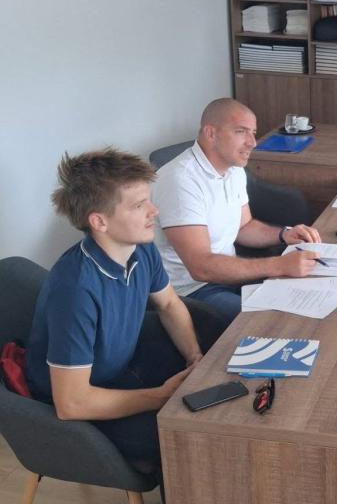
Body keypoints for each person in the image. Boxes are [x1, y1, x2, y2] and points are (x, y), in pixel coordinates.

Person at [25, 149, 213, 478]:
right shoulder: (75, 290)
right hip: (79, 406)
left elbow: (169, 304)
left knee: (212, 383)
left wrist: (194, 357)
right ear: (99, 221)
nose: (154, 211)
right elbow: (72, 403)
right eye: (139, 205)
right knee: (188, 436)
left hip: (119, 369)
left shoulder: (142, 248)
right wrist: (160, 396)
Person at [152, 98, 320, 321]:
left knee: (309, 291)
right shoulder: (180, 180)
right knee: (273, 321)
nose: (252, 143)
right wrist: (278, 265)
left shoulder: (233, 169)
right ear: (211, 133)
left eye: (253, 133)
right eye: (241, 132)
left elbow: (244, 227)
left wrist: (284, 234)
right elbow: (200, 267)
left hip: (229, 276)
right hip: (193, 292)